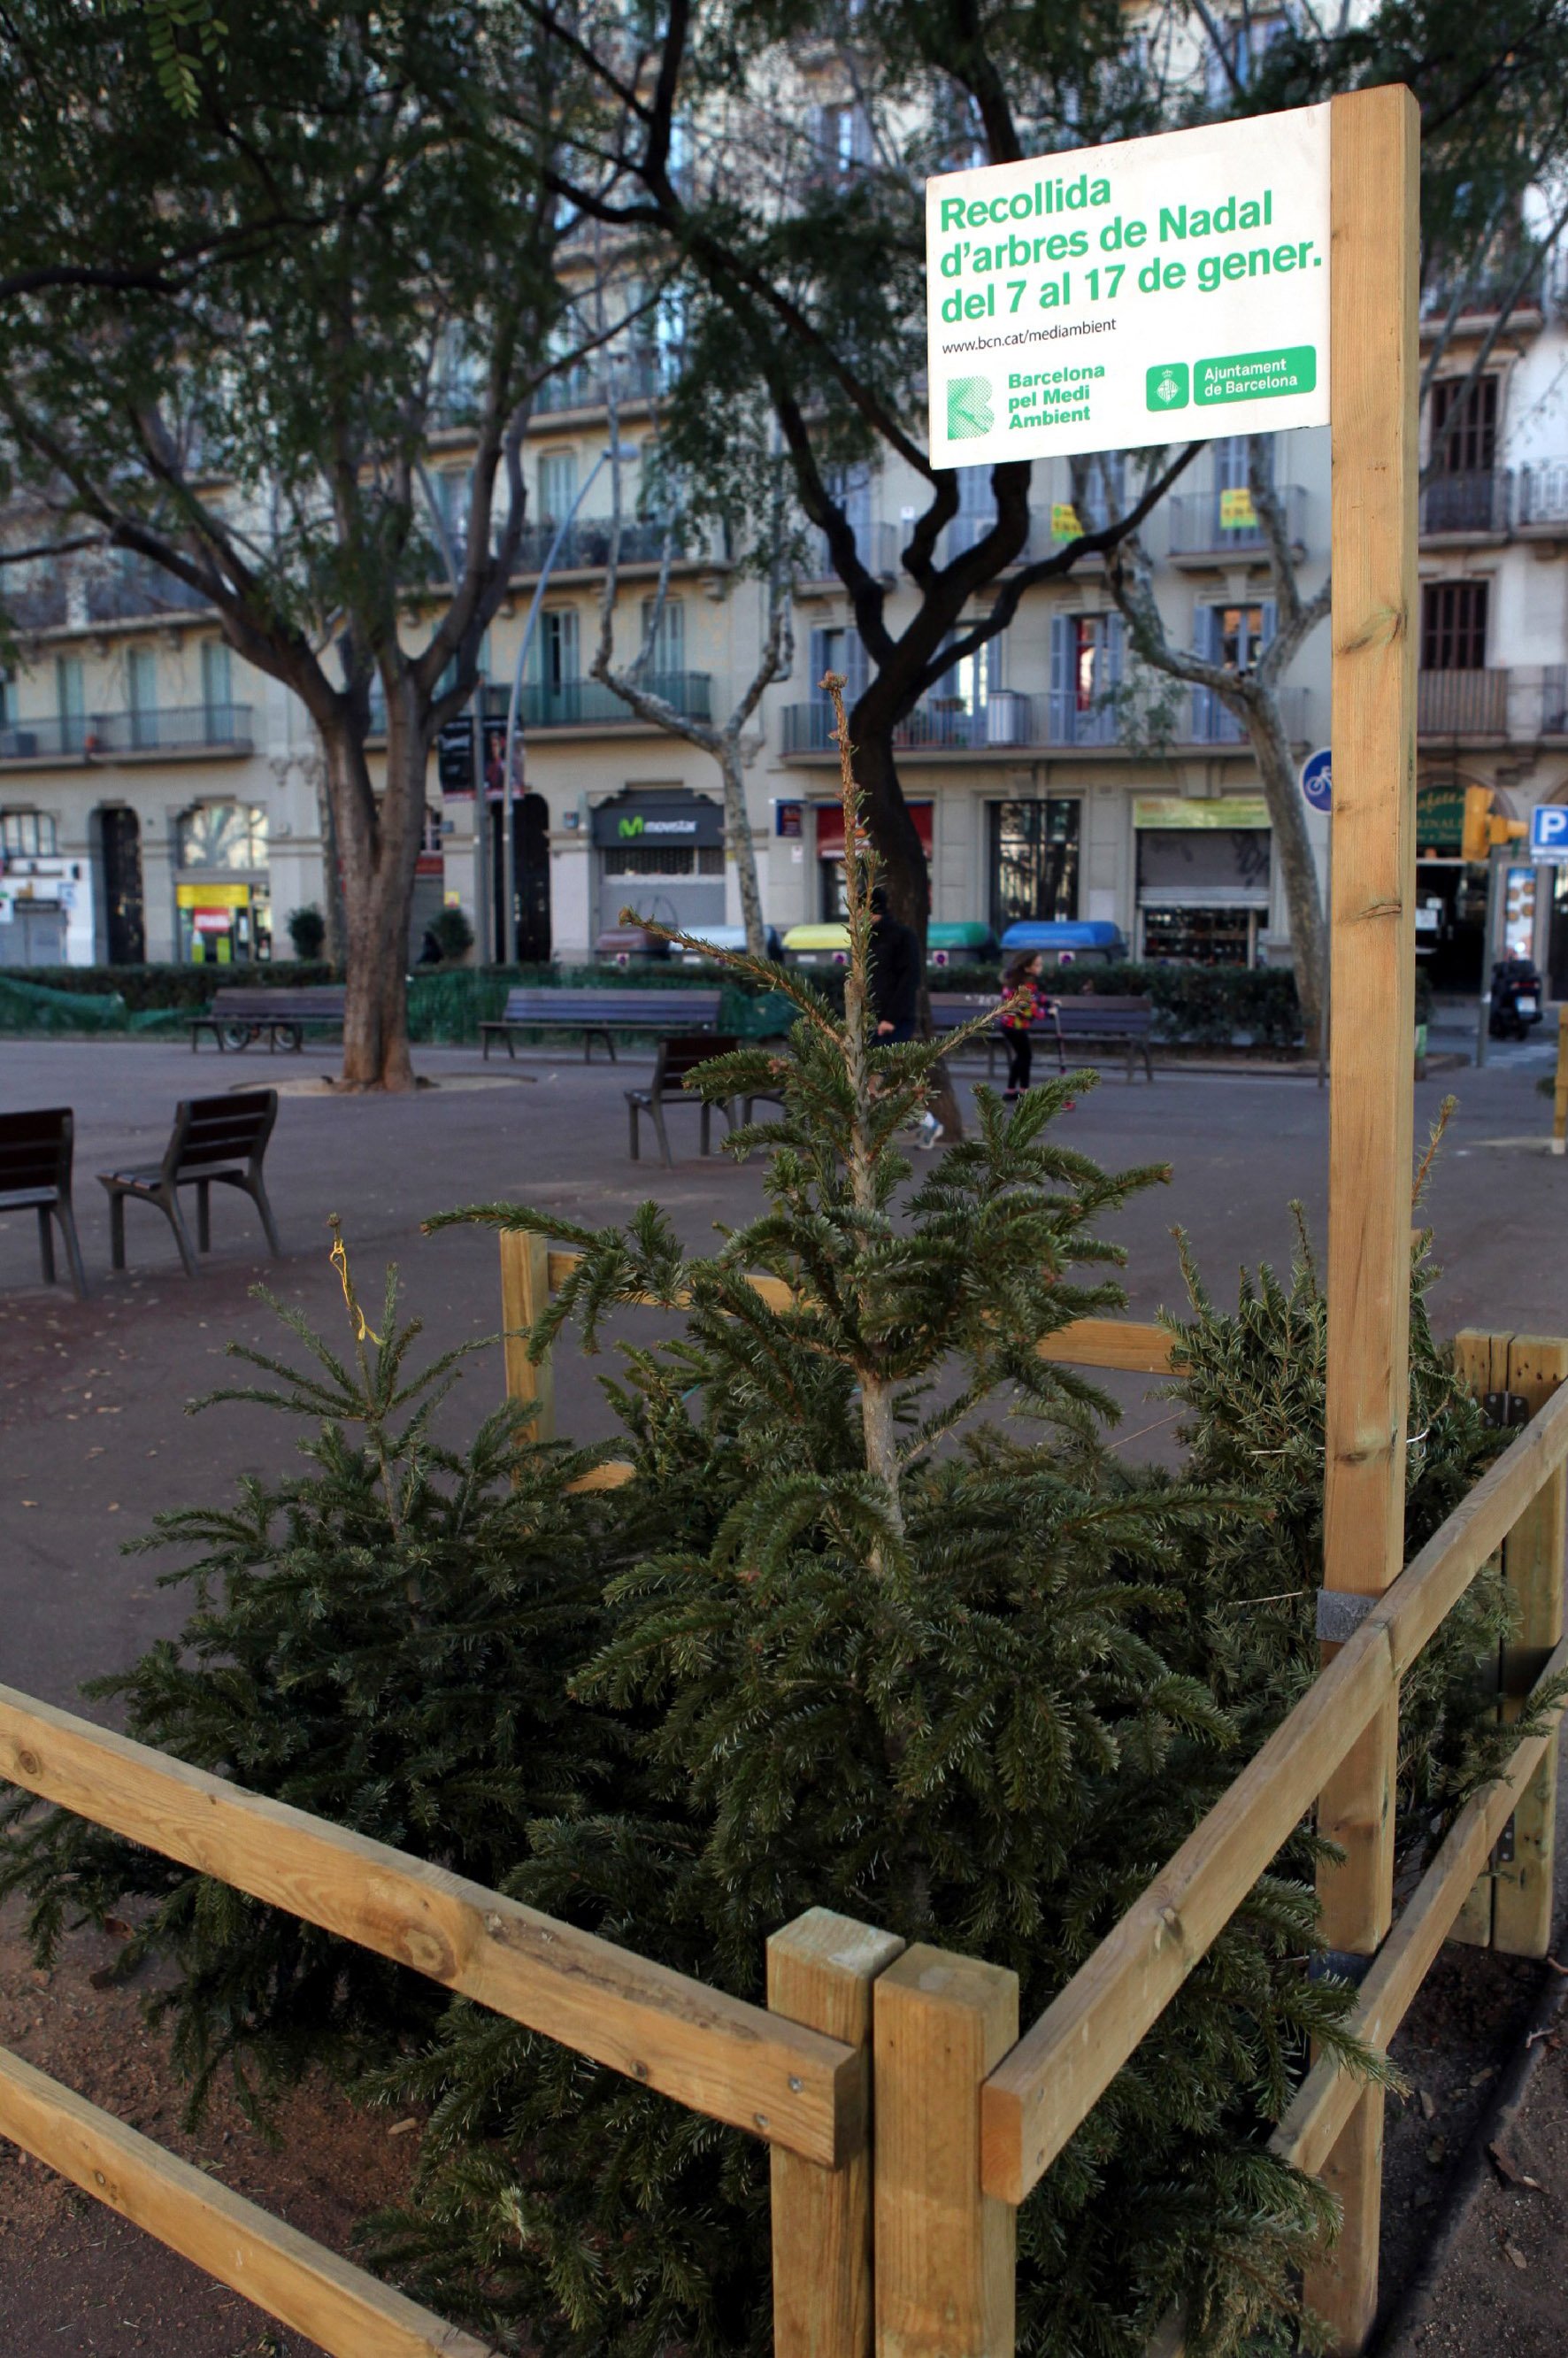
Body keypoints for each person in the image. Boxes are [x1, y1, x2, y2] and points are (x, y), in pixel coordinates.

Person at [997, 949, 1052, 1100]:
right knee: (1026, 1057)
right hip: (1014, 1026)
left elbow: (1037, 996)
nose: (1041, 968)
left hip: (1012, 1025)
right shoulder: (1021, 986)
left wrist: (1048, 1003)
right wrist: (1048, 1013)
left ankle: (1010, 1090)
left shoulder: (1023, 981)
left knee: (1021, 1056)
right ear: (1027, 967)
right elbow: (1028, 1011)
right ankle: (1024, 1091)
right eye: (1038, 965)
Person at [867, 884, 919, 1045]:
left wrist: (891, 1019)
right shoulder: (863, 938)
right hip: (868, 1020)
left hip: (893, 1022)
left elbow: (909, 978)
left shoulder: (902, 936)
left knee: (885, 1068)